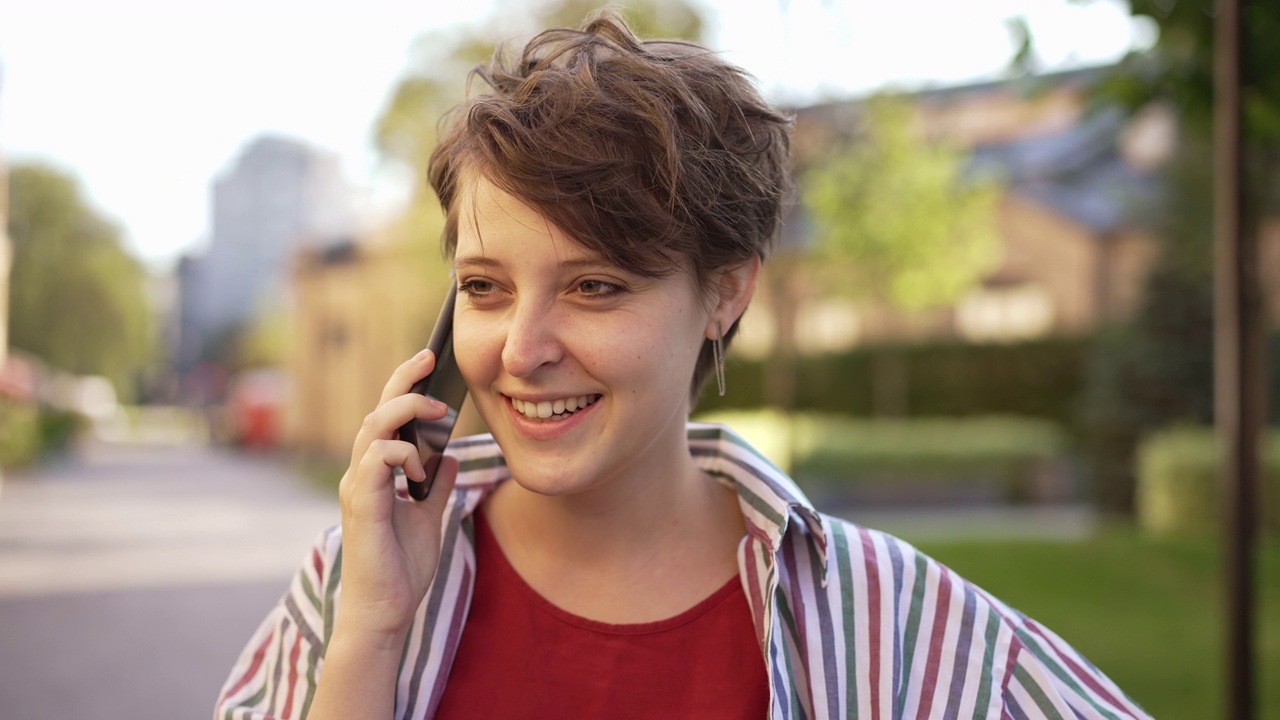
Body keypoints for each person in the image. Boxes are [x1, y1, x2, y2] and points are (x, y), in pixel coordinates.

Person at [216, 13, 1151, 720]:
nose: (522, 349)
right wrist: (371, 637)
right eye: (486, 287)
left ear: (725, 294)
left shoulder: (897, 625)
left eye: (594, 287)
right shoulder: (354, 587)